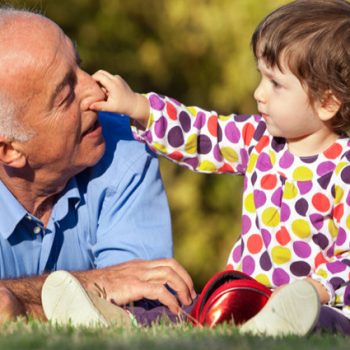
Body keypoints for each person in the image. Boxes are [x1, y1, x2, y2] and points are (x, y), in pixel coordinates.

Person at [88, 0, 350, 336]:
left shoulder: (343, 168)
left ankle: (283, 324)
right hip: (245, 297)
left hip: (319, 307)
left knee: (325, 322)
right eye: (261, 77)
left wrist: (319, 289)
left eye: (276, 84)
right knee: (186, 308)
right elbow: (202, 134)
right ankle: (116, 317)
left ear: (327, 102)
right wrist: (140, 107)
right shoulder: (259, 139)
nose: (259, 94)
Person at [0, 7, 196, 325]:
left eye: (79, 65)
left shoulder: (125, 147)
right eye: (65, 96)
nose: (96, 91)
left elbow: (143, 313)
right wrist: (95, 283)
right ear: (9, 150)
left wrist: (18, 304)